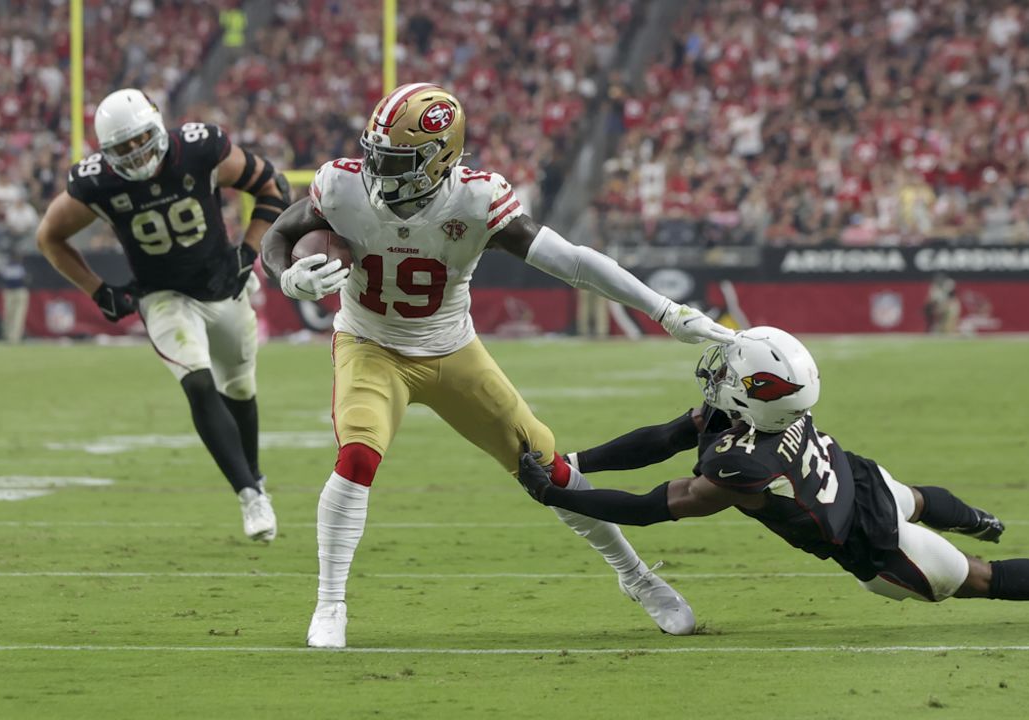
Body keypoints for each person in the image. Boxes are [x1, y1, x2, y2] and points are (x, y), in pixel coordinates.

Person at [259, 83, 734, 648]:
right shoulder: (340, 184)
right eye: (375, 154)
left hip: (453, 351)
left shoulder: (477, 200)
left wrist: (666, 311)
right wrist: (285, 276)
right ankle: (330, 604)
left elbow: (575, 263)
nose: (376, 171)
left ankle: (636, 576)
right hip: (371, 345)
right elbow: (279, 234)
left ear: (440, 159)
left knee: (547, 467)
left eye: (395, 161)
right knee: (358, 454)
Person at [516, 327, 1029, 617]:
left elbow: (659, 502)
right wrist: (577, 463)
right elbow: (667, 438)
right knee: (916, 496)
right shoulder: (753, 417)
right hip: (859, 476)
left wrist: (556, 495)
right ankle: (981, 518)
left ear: (757, 394)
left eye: (735, 369)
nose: (722, 372)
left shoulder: (742, 463)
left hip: (874, 547)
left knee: (973, 579)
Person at [36, 89, 289, 542]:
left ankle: (254, 477)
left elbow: (272, 188)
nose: (135, 153)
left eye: (139, 140)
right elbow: (50, 237)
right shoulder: (97, 182)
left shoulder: (199, 148)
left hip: (222, 286)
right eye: (122, 148)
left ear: (158, 127)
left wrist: (247, 253)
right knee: (195, 379)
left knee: (240, 388)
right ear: (105, 153)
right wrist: (97, 290)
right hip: (163, 295)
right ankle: (249, 494)